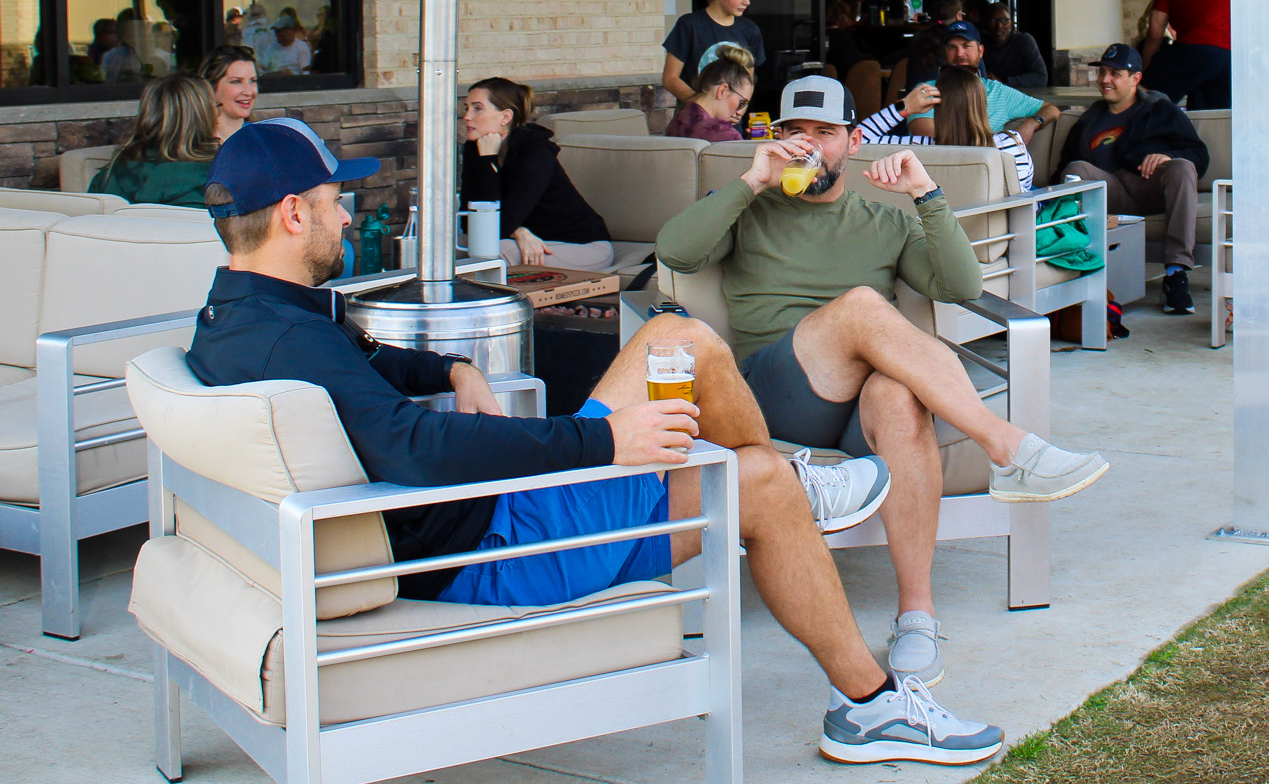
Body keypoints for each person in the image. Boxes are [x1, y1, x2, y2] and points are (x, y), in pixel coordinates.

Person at [187, 120, 1003, 765]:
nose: (346, 213)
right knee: (749, 475)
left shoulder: (249, 316)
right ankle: (870, 703)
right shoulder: (290, 342)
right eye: (334, 200)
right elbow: (419, 453)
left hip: (485, 520)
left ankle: (793, 483)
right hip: (495, 550)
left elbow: (376, 365)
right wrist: (603, 439)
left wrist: (454, 366)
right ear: (293, 212)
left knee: (676, 341)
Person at [656, 76, 1109, 691]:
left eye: (825, 133)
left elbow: (960, 287)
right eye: (794, 132)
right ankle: (1008, 447)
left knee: (898, 397)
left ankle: (916, 617)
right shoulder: (750, 207)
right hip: (768, 394)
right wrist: (752, 179)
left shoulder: (883, 220)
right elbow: (676, 254)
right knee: (866, 306)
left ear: (853, 141)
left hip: (853, 406)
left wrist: (925, 193)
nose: (808, 145)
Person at [1053, 43, 1210, 315]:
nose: (1104, 80)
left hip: (1149, 187)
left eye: (1114, 74)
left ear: (1135, 79)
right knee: (1076, 168)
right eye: (1102, 72)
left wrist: (1167, 156)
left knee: (1183, 166)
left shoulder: (1159, 108)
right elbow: (1063, 170)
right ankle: (1072, 266)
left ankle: (1176, 274)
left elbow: (1199, 154)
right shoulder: (1089, 119)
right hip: (1109, 193)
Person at [462, 78, 614, 270]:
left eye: (477, 108)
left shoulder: (535, 152)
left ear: (505, 117)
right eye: (466, 108)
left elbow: (497, 226)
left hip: (582, 245)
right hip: (527, 239)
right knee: (447, 244)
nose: (467, 116)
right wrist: (520, 232)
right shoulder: (475, 148)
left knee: (495, 252)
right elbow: (468, 220)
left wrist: (487, 163)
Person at [858, 65, 1035, 187]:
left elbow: (856, 142)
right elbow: (1022, 198)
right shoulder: (1012, 145)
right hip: (999, 239)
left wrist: (904, 107)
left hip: (934, 239)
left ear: (937, 110)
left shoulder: (917, 150)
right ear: (982, 105)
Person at [913, 21, 1058, 142]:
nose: (959, 54)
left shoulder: (997, 91)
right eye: (952, 47)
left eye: (966, 46)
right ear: (945, 53)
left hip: (987, 170)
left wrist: (1030, 125)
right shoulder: (927, 90)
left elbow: (1051, 109)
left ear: (980, 51)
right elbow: (929, 139)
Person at [89, 71, 218, 205]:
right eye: (215, 108)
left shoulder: (107, 177)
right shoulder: (226, 181)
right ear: (205, 117)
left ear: (147, 114)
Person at [661, 0, 767, 114]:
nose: (747, 1)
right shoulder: (689, 25)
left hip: (730, 125)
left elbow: (747, 81)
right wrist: (702, 106)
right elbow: (670, 78)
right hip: (693, 121)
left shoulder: (750, 30)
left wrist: (739, 110)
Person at [1140, 0, 1231, 108]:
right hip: (1227, 58)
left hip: (1194, 51)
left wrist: (1145, 72)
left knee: (1144, 98)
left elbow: (1155, 33)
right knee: (1209, 117)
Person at [666, 54, 755, 143]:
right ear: (722, 91)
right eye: (742, 103)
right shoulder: (724, 134)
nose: (740, 112)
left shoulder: (678, 120)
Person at [980, 4, 1048, 88]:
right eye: (993, 21)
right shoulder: (980, 42)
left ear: (1011, 24)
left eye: (1005, 20)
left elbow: (1041, 78)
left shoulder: (1023, 41)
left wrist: (1003, 82)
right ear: (986, 24)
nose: (999, 26)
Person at [202, 43, 260, 142]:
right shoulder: (195, 146)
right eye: (236, 81)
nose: (248, 92)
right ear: (211, 87)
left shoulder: (263, 140)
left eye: (252, 81)